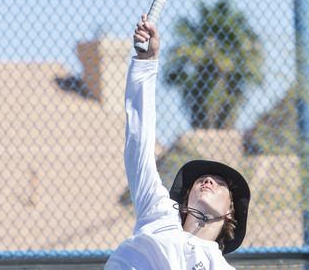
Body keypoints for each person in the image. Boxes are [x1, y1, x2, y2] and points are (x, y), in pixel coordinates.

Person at [105, 15, 251, 270]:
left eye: (219, 183)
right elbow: (139, 142)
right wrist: (147, 62)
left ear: (230, 212)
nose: (208, 181)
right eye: (201, 180)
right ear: (184, 201)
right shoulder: (159, 212)